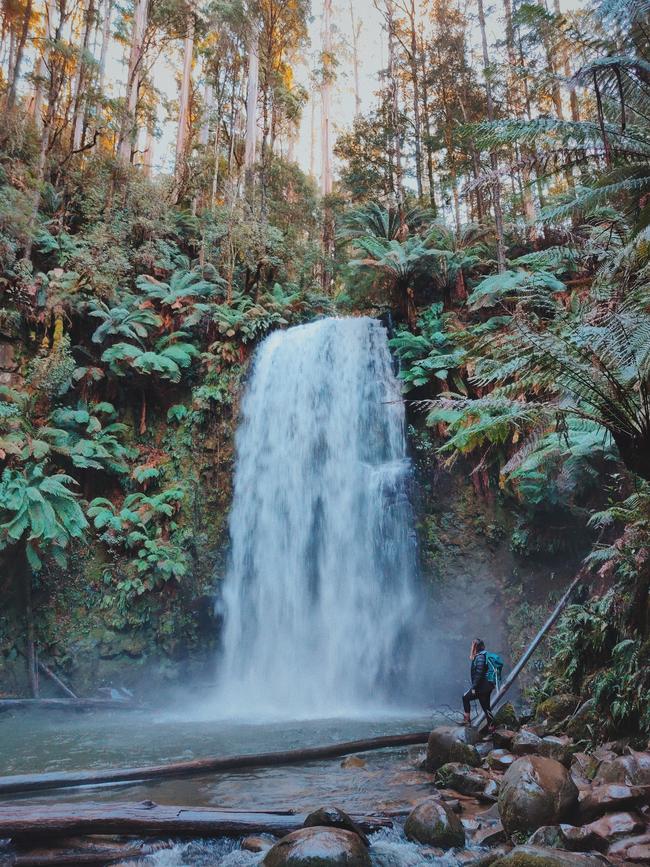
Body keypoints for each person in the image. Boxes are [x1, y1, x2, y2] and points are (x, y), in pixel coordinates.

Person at [462, 638, 495, 731]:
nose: (471, 647)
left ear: (476, 646)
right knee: (487, 709)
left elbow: (479, 673)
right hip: (485, 687)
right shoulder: (482, 655)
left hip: (482, 688)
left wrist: (474, 687)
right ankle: (491, 730)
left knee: (465, 698)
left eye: (472, 645)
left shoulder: (480, 657)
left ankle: (467, 721)